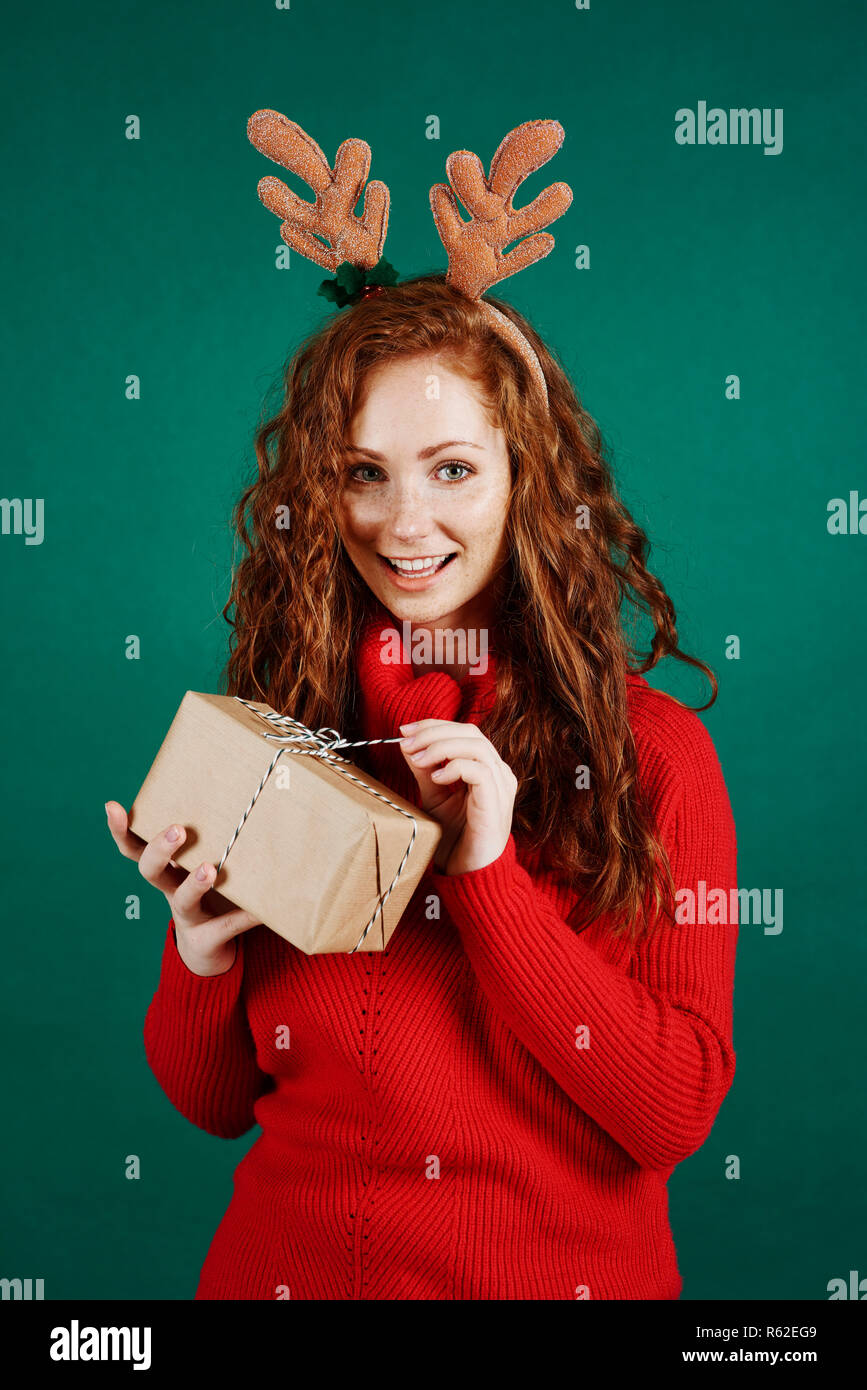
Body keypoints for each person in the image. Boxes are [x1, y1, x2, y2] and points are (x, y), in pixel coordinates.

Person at [105, 269, 738, 1300]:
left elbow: (669, 1115)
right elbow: (213, 1103)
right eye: (363, 472)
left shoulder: (650, 752)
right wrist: (200, 954)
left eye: (451, 470)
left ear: (527, 475)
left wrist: (486, 875)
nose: (404, 525)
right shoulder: (289, 725)